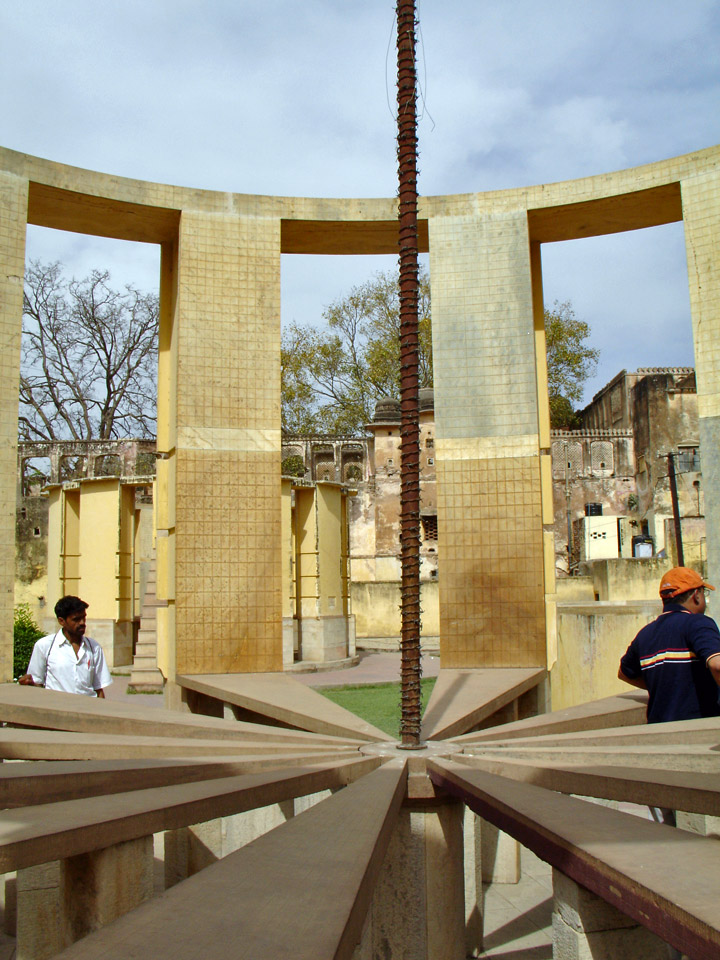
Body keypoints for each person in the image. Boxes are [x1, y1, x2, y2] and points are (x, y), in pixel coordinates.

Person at [618, 566, 720, 723]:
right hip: (697, 730)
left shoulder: (645, 634)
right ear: (696, 596)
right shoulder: (698, 623)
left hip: (658, 733)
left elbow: (624, 673)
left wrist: (665, 688)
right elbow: (717, 665)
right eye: (703, 592)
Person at [18, 596, 112, 697]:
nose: (82, 623)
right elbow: (37, 683)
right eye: (76, 619)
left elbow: (99, 689)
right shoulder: (45, 646)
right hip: (58, 708)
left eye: (83, 618)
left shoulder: (94, 647)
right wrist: (29, 683)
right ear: (61, 621)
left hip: (87, 709)